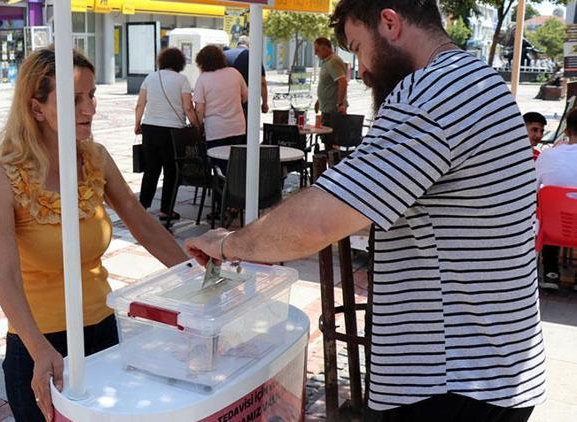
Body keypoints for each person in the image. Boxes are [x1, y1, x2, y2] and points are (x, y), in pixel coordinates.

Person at [186, 1, 545, 421]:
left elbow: (320, 219)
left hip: (451, 381)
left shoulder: (433, 92)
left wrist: (229, 244)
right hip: (496, 365)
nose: (362, 69)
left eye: (358, 48)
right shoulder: (479, 78)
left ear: (389, 23)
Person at [0, 47, 187, 422]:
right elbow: (5, 276)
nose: (90, 108)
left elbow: (142, 223)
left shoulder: (96, 158)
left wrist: (197, 274)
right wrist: (40, 350)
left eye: (91, 96)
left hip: (105, 334)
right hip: (39, 344)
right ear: (37, 107)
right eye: (75, 99)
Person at [134, 47, 198, 221]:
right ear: (180, 63)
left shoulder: (150, 77)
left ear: (161, 61)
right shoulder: (182, 80)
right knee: (171, 172)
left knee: (151, 170)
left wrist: (137, 123)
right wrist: (197, 125)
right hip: (172, 132)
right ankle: (166, 209)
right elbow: (187, 107)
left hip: (150, 128)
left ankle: (142, 207)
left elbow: (140, 104)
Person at [535, 107, 577, 290]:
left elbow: (531, 190)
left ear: (567, 131)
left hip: (552, 231)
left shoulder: (547, 155)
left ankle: (551, 273)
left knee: (547, 213)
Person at [193, 45, 248, 149]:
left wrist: (198, 127)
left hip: (215, 130)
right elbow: (245, 97)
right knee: (234, 162)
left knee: (217, 162)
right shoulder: (235, 73)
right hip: (237, 127)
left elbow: (199, 109)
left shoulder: (203, 79)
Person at [224, 36, 269, 118]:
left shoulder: (224, 55)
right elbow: (262, 83)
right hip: (247, 102)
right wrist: (265, 103)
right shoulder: (253, 57)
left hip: (225, 102)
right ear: (249, 45)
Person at [313, 37, 349, 115]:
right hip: (327, 108)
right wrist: (319, 100)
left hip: (333, 110)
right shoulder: (327, 62)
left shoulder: (333, 61)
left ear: (325, 48)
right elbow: (327, 84)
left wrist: (340, 104)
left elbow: (343, 82)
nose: (315, 53)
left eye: (317, 50)